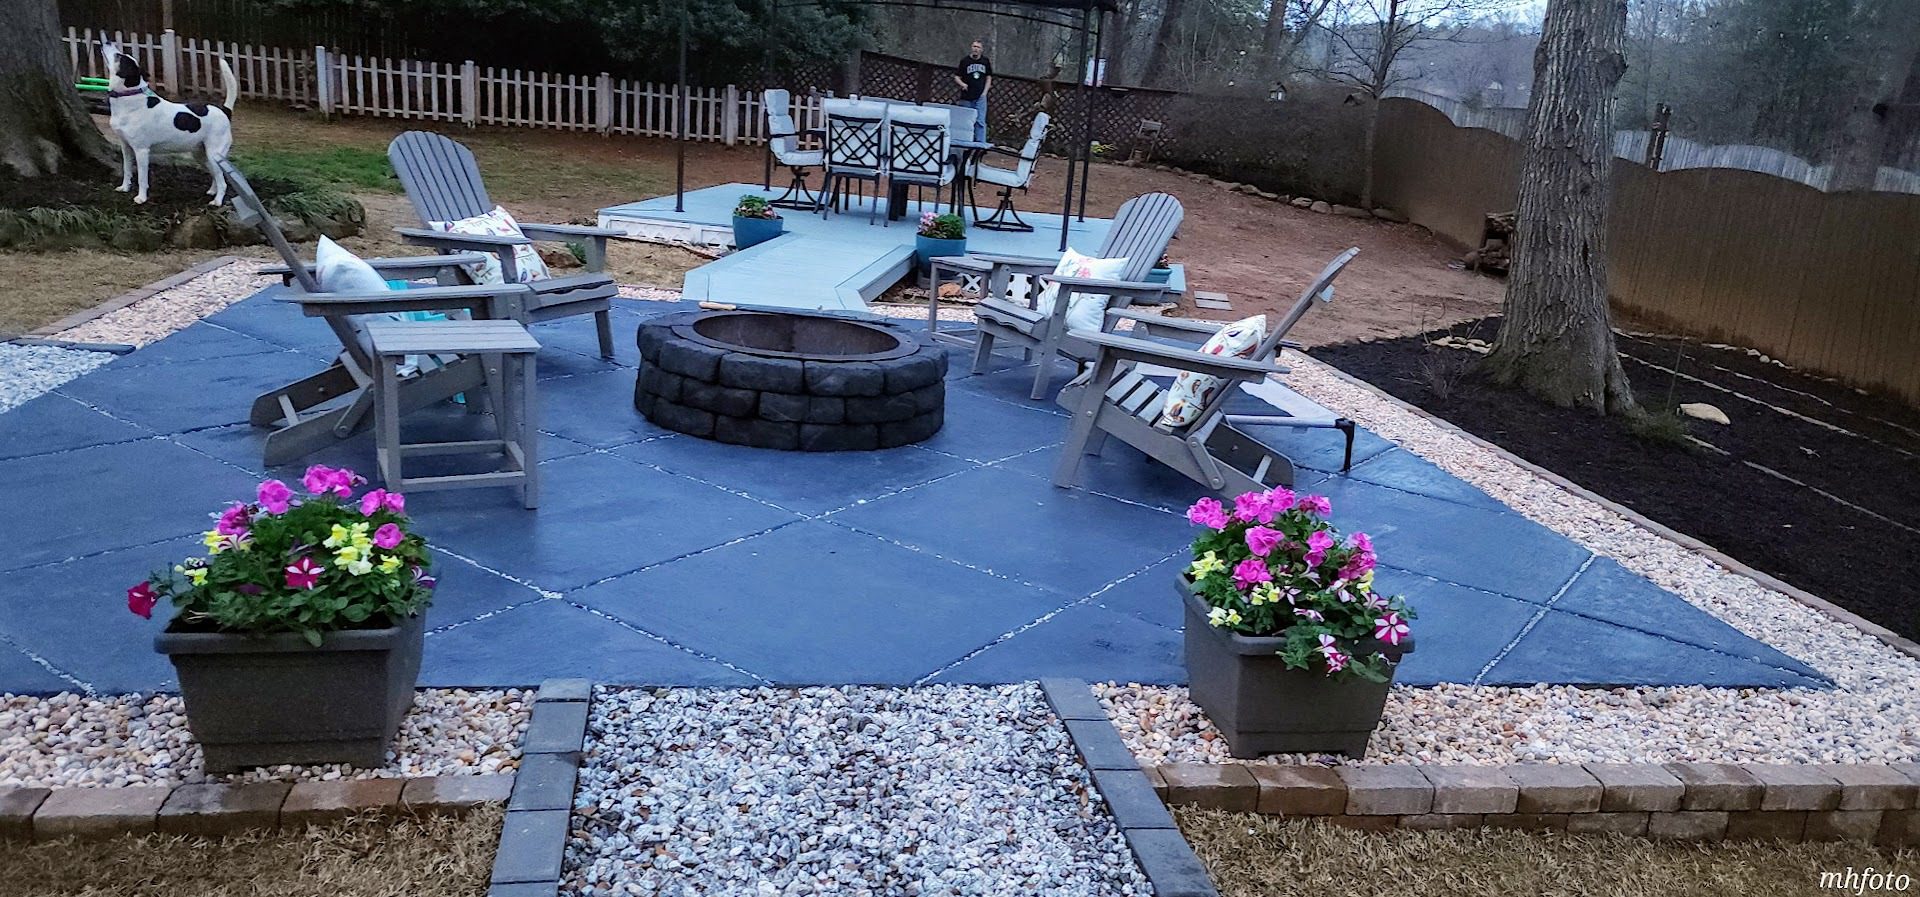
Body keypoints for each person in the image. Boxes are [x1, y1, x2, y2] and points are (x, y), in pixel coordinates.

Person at [953, 40, 992, 143]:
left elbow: (989, 77)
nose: (976, 49)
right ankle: (965, 141)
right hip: (966, 97)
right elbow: (956, 77)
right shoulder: (965, 61)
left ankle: (980, 143)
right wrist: (962, 84)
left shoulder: (985, 61)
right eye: (974, 46)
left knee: (980, 121)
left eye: (978, 47)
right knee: (966, 121)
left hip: (980, 96)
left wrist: (985, 92)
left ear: (981, 50)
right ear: (971, 48)